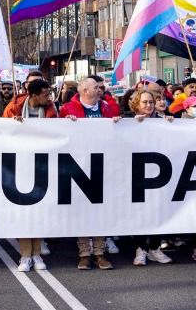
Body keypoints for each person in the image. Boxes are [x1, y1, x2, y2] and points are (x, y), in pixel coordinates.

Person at [60, 78, 120, 270]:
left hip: (103, 164)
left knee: (100, 209)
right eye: (96, 87)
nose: (100, 90)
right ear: (84, 90)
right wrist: (66, 124)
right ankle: (84, 253)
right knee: (82, 211)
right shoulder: (67, 109)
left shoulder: (107, 107)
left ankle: (100, 252)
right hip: (78, 165)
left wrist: (116, 123)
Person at [6, 78, 58, 272]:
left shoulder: (52, 110)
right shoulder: (15, 107)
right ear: (34, 95)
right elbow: (1, 132)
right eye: (46, 94)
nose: (49, 97)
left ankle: (36, 253)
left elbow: (59, 133)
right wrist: (12, 124)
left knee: (39, 212)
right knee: (24, 212)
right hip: (19, 166)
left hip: (43, 166)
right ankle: (25, 256)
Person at [125, 89, 173, 267]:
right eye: (144, 102)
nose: (148, 105)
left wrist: (171, 124)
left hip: (158, 173)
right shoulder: (127, 120)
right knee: (140, 212)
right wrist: (127, 124)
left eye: (151, 102)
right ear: (136, 104)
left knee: (157, 211)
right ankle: (140, 248)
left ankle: (154, 247)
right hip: (136, 174)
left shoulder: (162, 121)